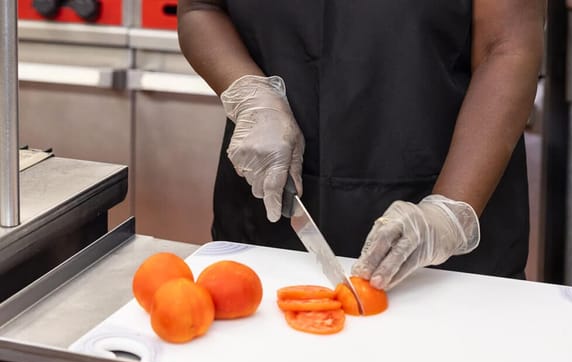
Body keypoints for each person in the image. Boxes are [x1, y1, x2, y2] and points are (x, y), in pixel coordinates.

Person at [177, 1, 545, 290]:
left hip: (445, 235)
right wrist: (251, 94)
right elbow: (201, 9)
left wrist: (448, 213)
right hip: (271, 217)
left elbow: (508, 46)